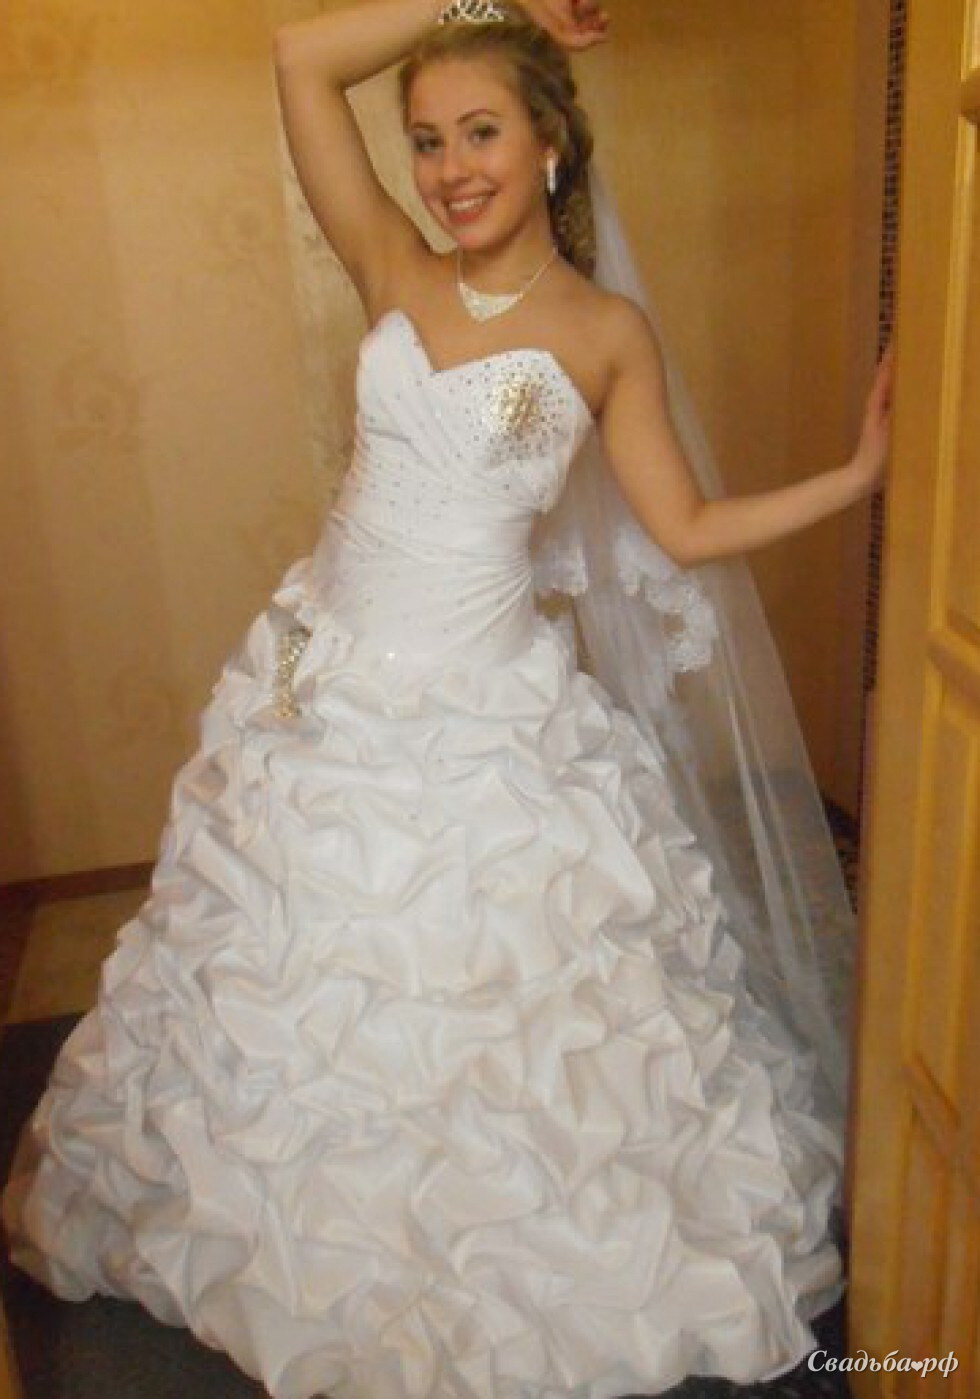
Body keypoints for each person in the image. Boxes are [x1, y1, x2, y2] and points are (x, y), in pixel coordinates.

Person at [2, 2, 892, 1396]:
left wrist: (852, 479)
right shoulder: (393, 267)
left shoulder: (604, 332)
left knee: (494, 1008)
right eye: (426, 141)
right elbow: (301, 57)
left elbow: (684, 526)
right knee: (273, 967)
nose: (449, 169)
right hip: (317, 683)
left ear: (549, 144)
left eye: (481, 132)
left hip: (485, 719)